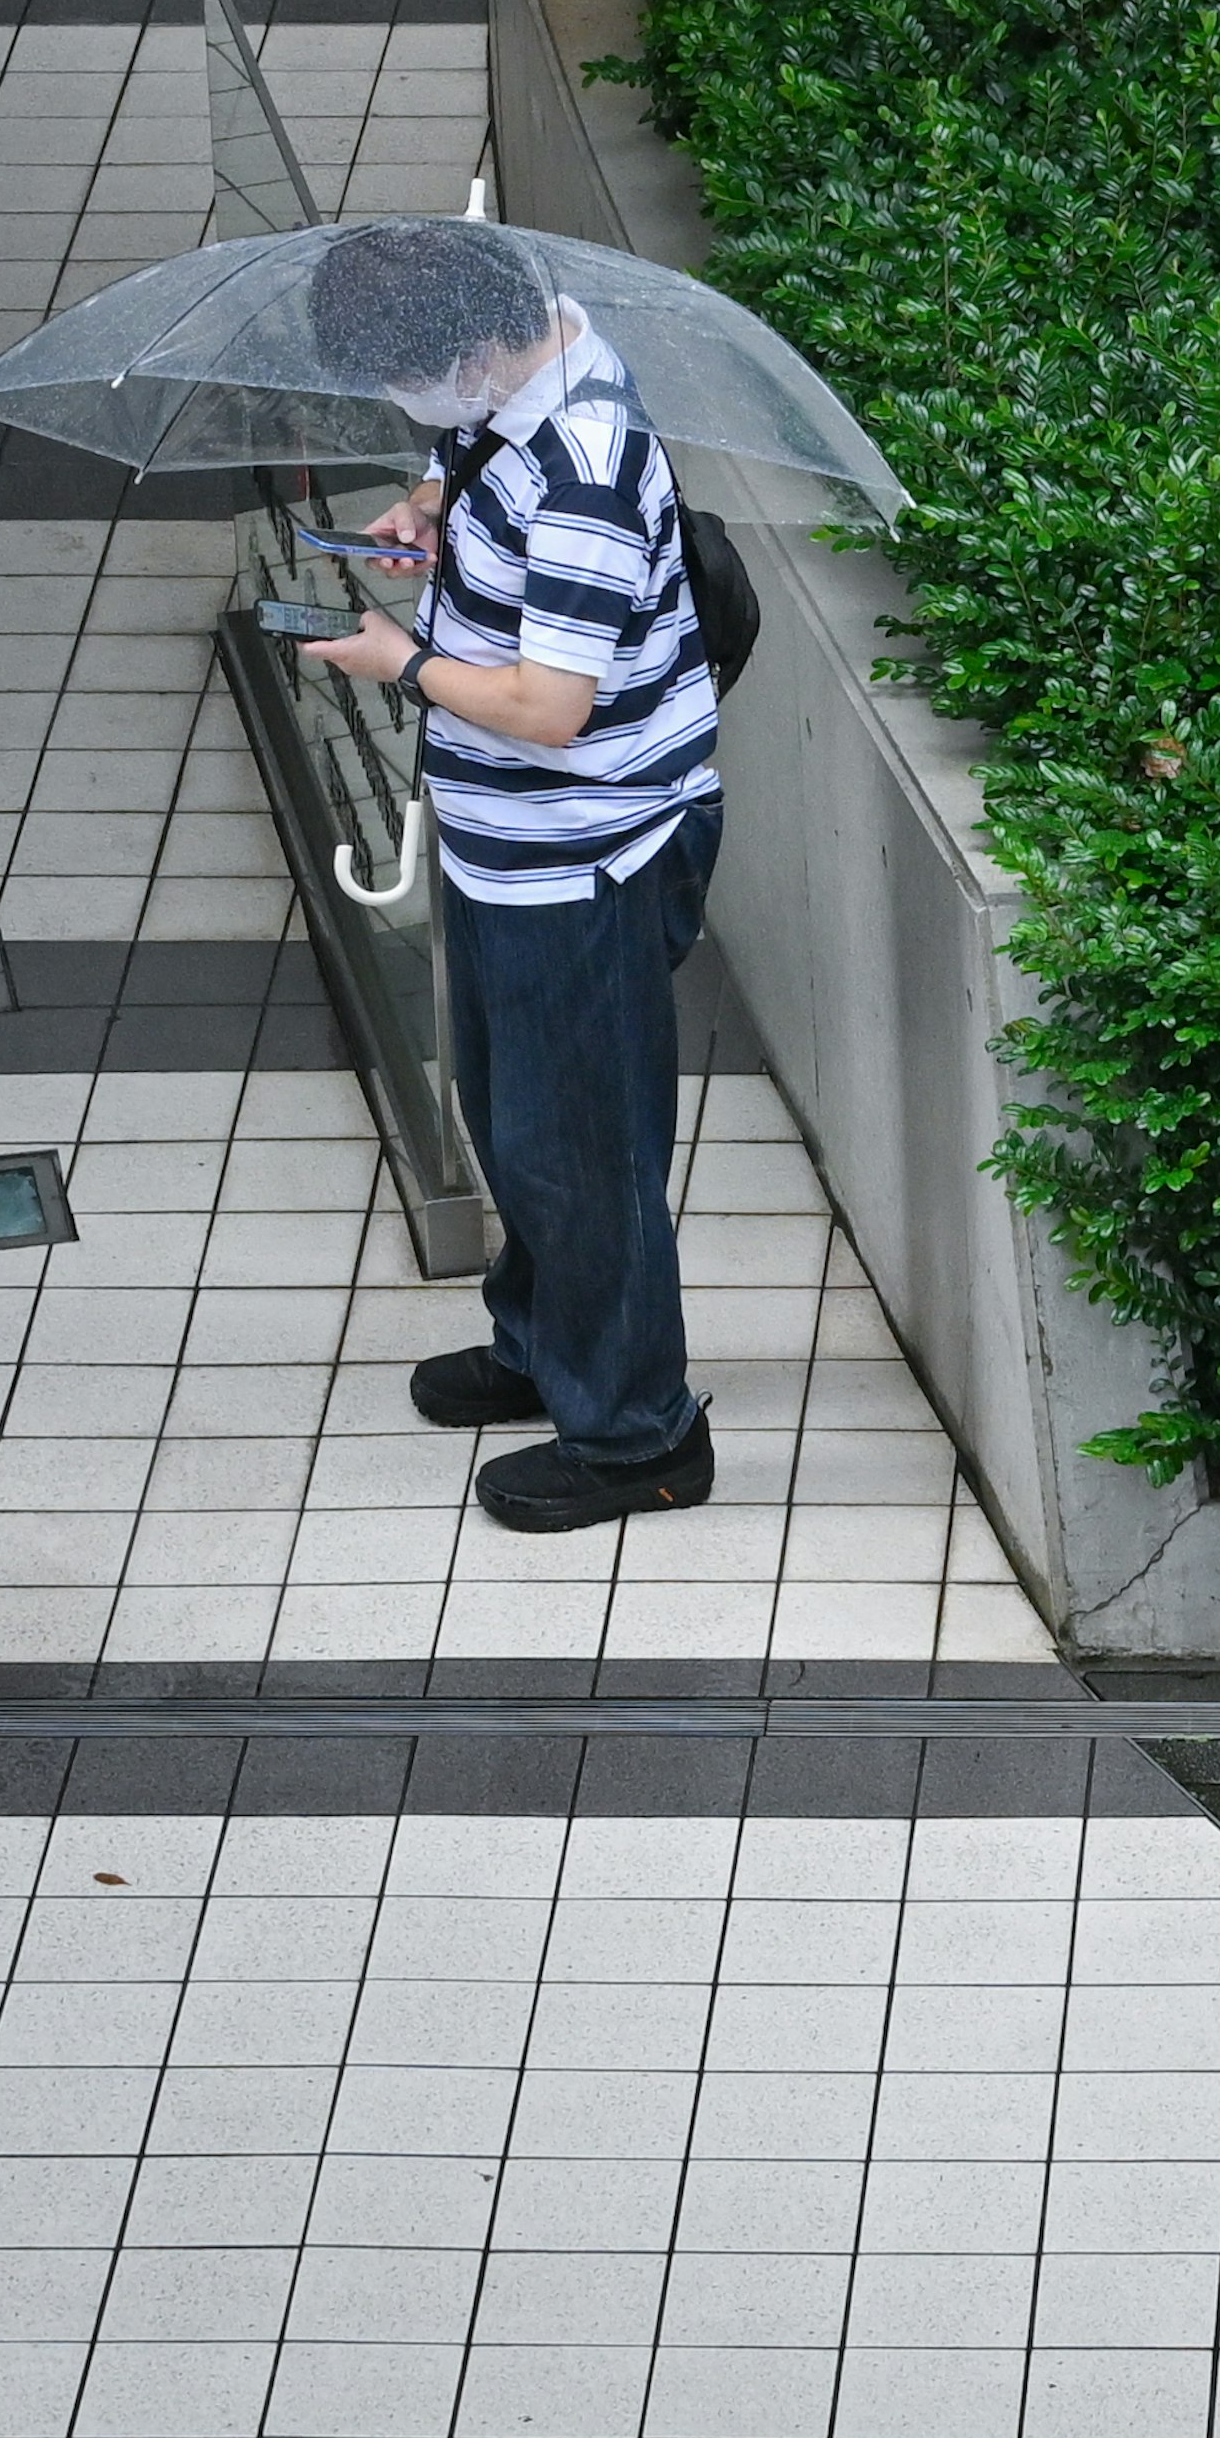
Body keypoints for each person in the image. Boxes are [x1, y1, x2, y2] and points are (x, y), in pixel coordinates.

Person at [297, 217, 723, 1533]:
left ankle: (640, 1439)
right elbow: (481, 472)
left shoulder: (583, 466)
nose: (403, 410)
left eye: (407, 384)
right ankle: (545, 1348)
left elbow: (549, 708)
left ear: (473, 348)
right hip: (513, 844)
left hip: (582, 855)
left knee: (579, 1156)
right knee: (518, 1124)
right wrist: (434, 509)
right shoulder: (537, 357)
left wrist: (399, 662)